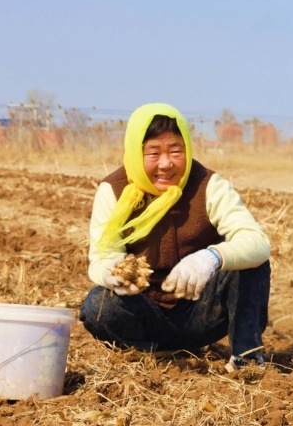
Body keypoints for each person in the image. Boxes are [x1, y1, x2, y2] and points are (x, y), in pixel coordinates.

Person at [79, 103, 271, 369]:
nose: (166, 164)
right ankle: (152, 354)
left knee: (250, 261)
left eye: (176, 151)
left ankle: (246, 357)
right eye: (153, 153)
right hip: (144, 314)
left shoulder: (208, 185)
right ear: (136, 153)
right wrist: (114, 274)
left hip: (200, 311)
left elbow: (257, 241)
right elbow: (102, 257)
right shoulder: (113, 190)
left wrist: (211, 257)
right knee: (98, 305)